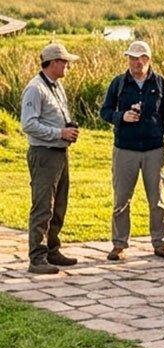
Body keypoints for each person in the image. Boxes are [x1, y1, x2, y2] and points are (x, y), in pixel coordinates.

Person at [100, 41, 164, 262]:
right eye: (132, 58)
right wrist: (120, 117)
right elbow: (104, 111)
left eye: (140, 58)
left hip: (154, 149)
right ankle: (119, 244)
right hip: (125, 149)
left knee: (157, 199)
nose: (136, 62)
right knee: (122, 198)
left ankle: (160, 242)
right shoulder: (119, 83)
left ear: (148, 59)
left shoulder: (160, 83)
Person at [20, 43, 80, 275]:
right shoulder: (35, 89)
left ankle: (52, 249)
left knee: (59, 204)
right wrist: (59, 133)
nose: (67, 66)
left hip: (59, 152)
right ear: (54, 63)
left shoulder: (55, 86)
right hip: (44, 153)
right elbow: (28, 124)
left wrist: (68, 130)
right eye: (64, 62)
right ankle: (37, 257)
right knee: (43, 205)